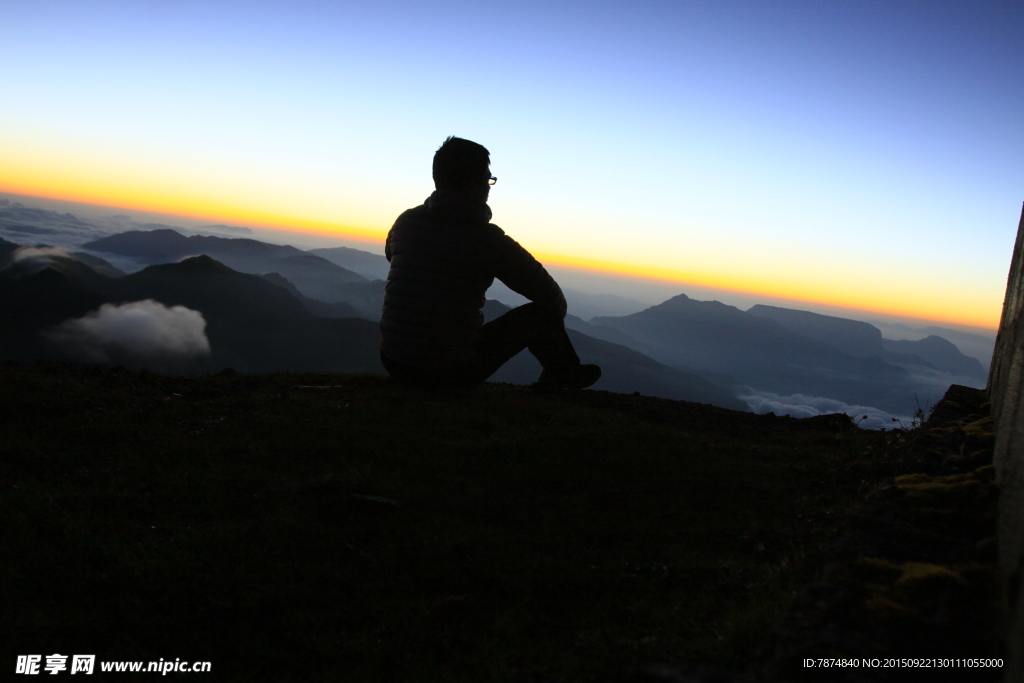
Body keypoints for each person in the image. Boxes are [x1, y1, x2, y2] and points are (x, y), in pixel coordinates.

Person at [379, 136, 601, 390]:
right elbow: (553, 301)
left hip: (394, 361)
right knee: (541, 315)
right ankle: (565, 375)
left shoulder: (405, 221)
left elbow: (391, 255)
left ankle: (565, 374)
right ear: (475, 184)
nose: (489, 187)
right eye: (488, 180)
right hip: (448, 372)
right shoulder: (488, 239)